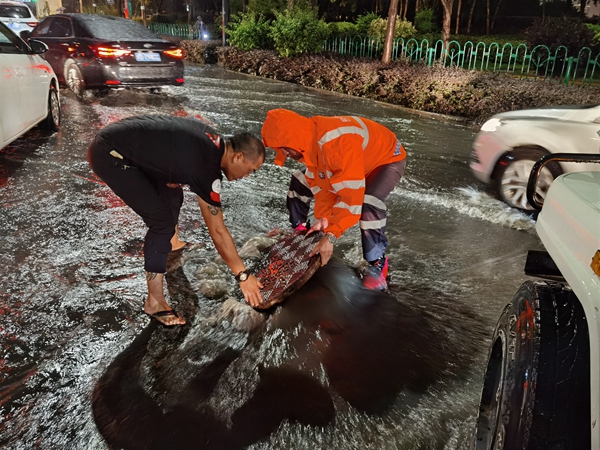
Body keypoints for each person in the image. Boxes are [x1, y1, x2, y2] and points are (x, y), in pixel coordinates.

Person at [88, 115, 265, 326]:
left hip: (122, 142)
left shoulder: (214, 143)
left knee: (173, 194)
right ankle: (154, 301)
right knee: (161, 222)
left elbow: (173, 148)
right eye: (250, 170)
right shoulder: (207, 166)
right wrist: (243, 275)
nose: (247, 176)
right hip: (110, 154)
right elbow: (217, 230)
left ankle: (171, 245)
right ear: (237, 157)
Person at [261, 109, 407, 291]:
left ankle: (377, 263)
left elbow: (351, 200)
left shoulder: (336, 146)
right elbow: (323, 188)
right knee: (300, 178)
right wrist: (323, 220)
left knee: (368, 202)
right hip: (357, 159)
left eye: (283, 147)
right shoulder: (310, 142)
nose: (283, 153)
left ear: (294, 139)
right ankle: (299, 229)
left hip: (386, 159)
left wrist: (331, 236)